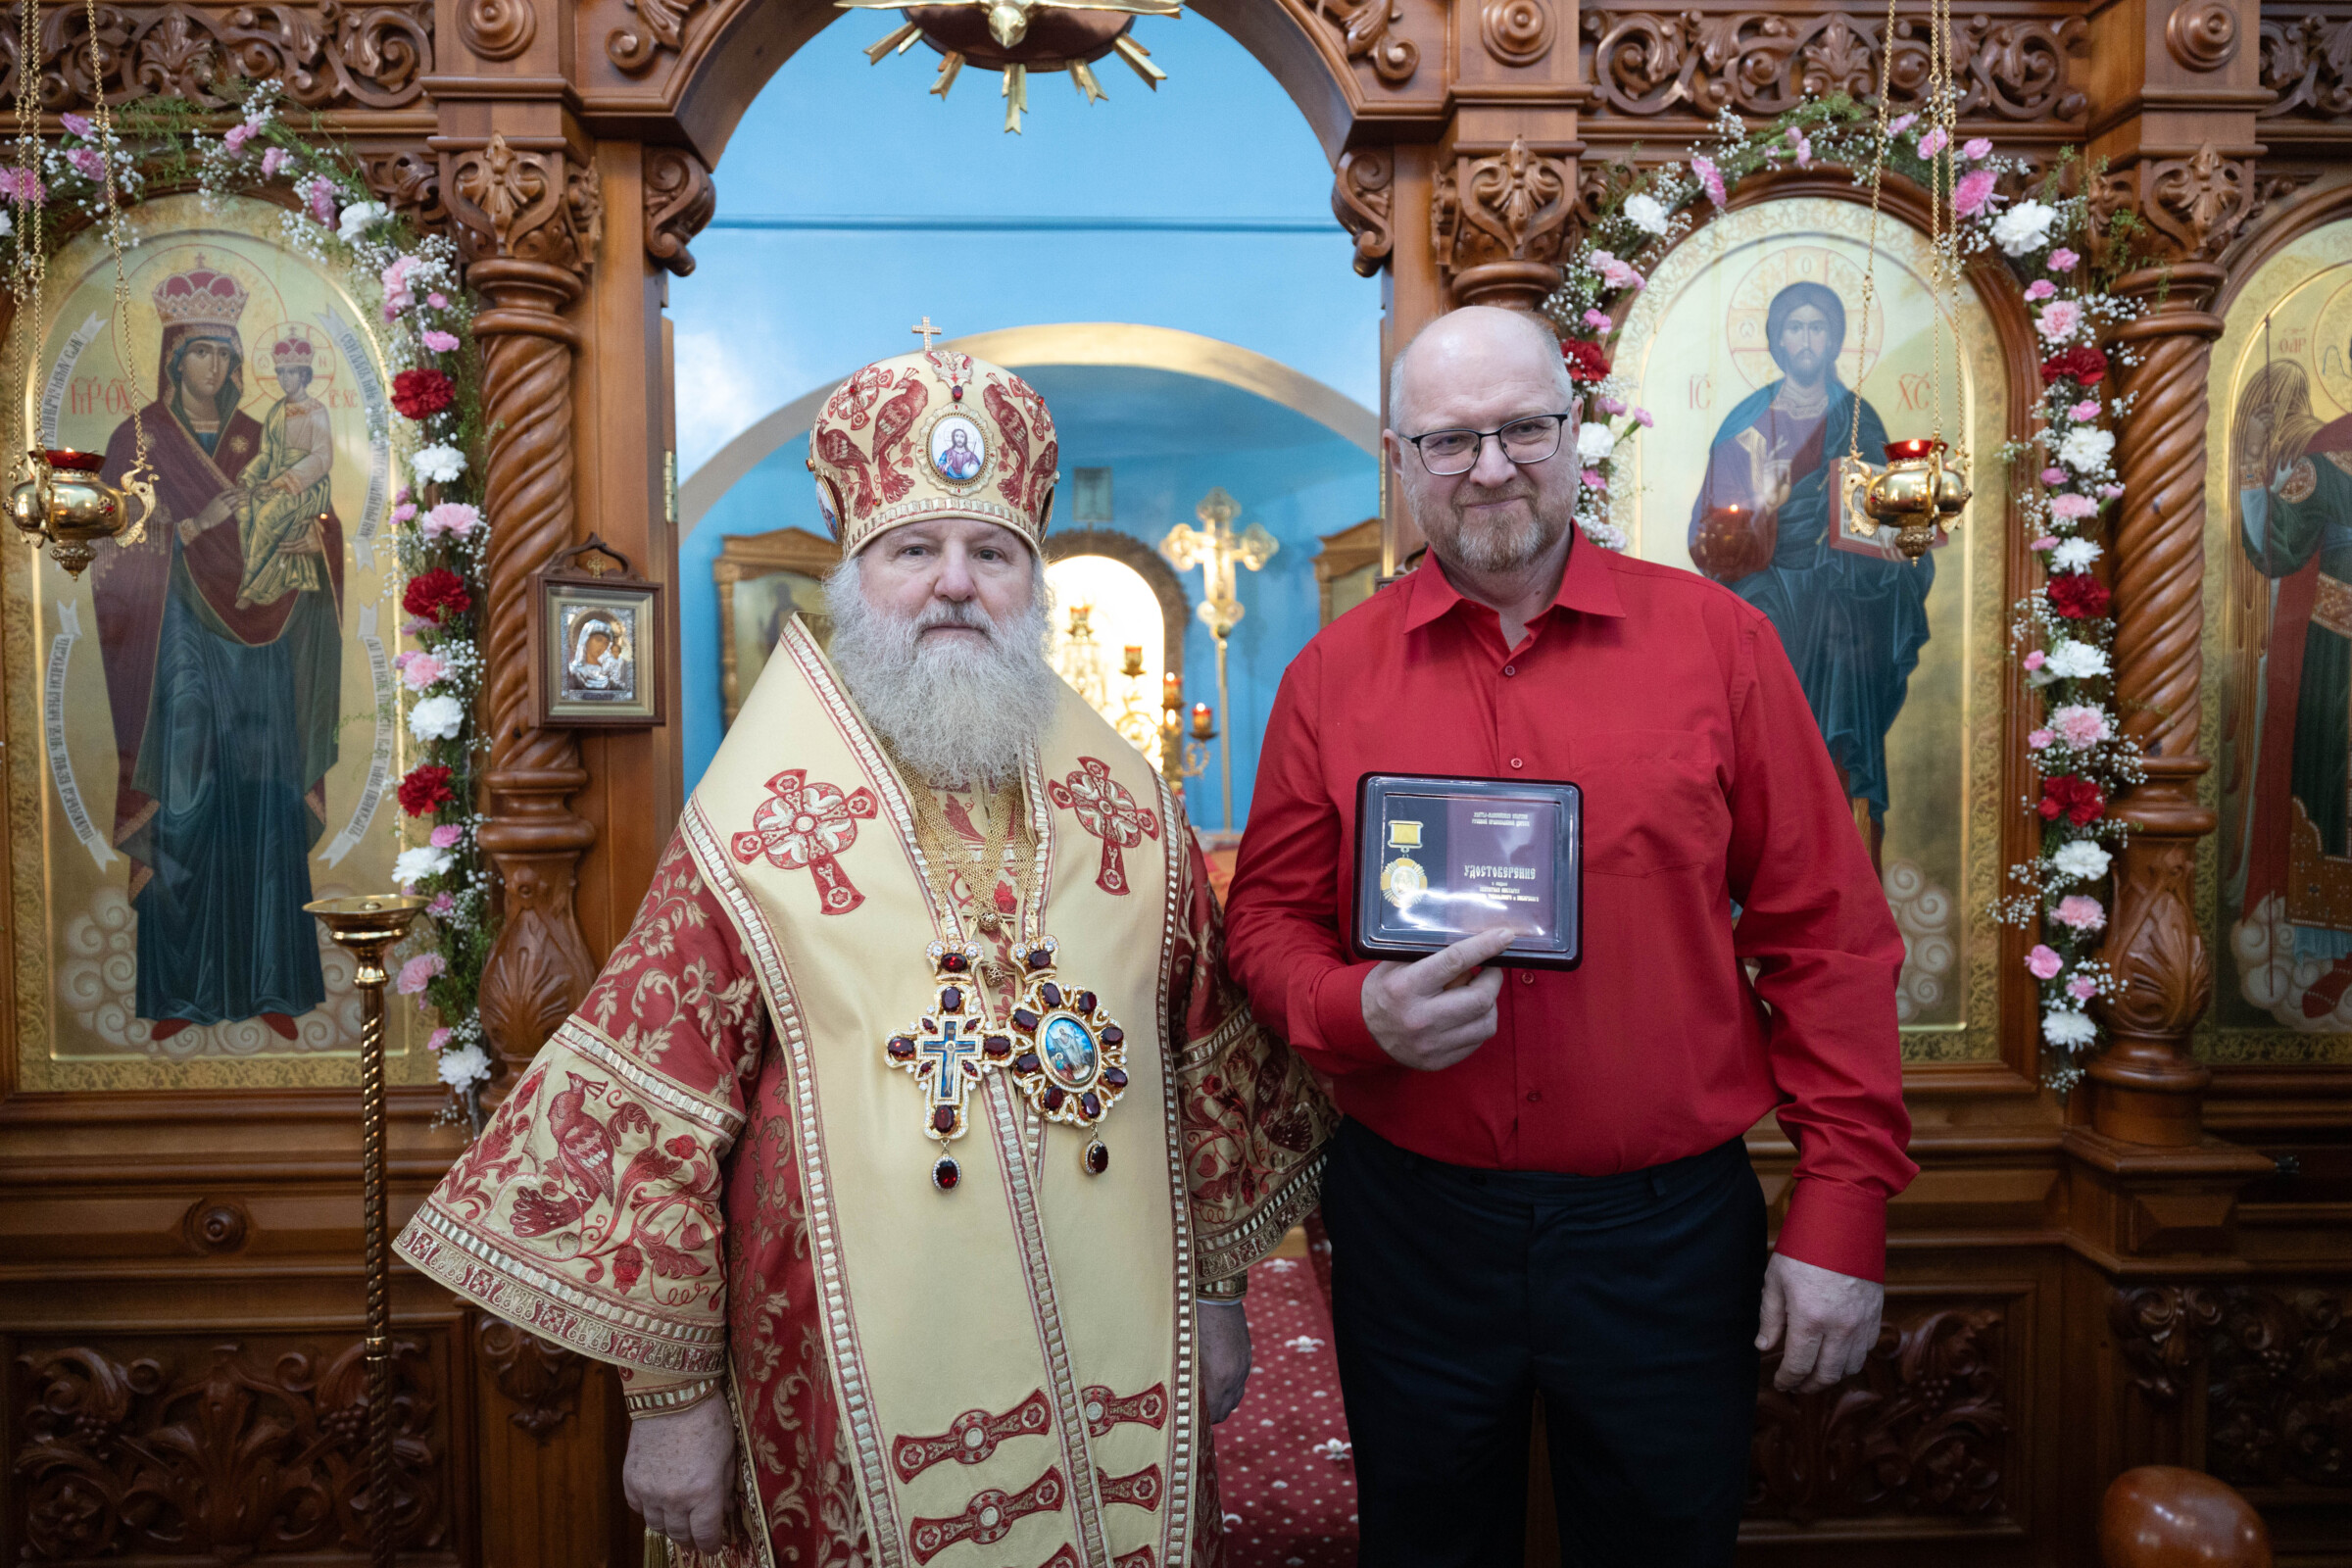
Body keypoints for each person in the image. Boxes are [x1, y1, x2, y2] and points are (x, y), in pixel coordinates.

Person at [396, 344, 1332, 1567]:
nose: (956, 584)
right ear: (854, 576)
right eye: (914, 550)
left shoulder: (1130, 813)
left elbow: (1207, 1064)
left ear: (1031, 583)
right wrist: (670, 1403)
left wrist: (1217, 1293)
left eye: (992, 552)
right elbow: (652, 1110)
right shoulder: (754, 828)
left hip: (1120, 1329)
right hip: (840, 1364)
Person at [1222, 306, 1914, 1567]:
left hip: (1664, 1237)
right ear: (1401, 459)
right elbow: (1265, 921)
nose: (1490, 467)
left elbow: (1829, 938)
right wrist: (1351, 1010)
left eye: (1523, 429)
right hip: (1414, 1231)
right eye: (1450, 440)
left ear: (1575, 429)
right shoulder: (1331, 675)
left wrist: (1841, 1208)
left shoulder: (1721, 644)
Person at [90, 265, 343, 1044]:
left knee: (265, 805)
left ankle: (273, 983)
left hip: (264, 648)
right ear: (174, 357)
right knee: (185, 801)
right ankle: (178, 991)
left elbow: (318, 515)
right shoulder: (137, 442)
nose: (215, 366)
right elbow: (108, 551)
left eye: (225, 353)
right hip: (176, 643)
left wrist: (318, 541)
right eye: (200, 351)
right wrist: (193, 529)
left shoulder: (261, 438)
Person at [1686, 279, 1932, 869]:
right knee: (1765, 733)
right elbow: (1712, 539)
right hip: (1767, 590)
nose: (1805, 339)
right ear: (1776, 339)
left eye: (1817, 327)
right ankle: (1767, 867)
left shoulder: (1858, 420)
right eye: (1794, 327)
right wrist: (1761, 506)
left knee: (1838, 737)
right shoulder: (1745, 423)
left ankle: (1841, 868)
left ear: (1834, 339)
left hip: (1845, 606)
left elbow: (1892, 524)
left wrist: (1895, 535)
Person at [2228, 359, 2352, 1018]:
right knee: (2334, 791)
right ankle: (2336, 954)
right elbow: (2276, 549)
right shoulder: (2326, 464)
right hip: (2338, 655)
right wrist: (2253, 471)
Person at [234, 335, 337, 610]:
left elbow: (322, 457)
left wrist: (279, 483)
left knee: (266, 517)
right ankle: (255, 578)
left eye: (291, 372)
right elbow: (267, 454)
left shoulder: (316, 411)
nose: (285, 378)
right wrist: (249, 478)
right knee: (245, 511)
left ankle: (253, 590)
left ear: (304, 374)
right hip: (275, 480)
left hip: (305, 484)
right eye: (280, 372)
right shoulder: (276, 411)